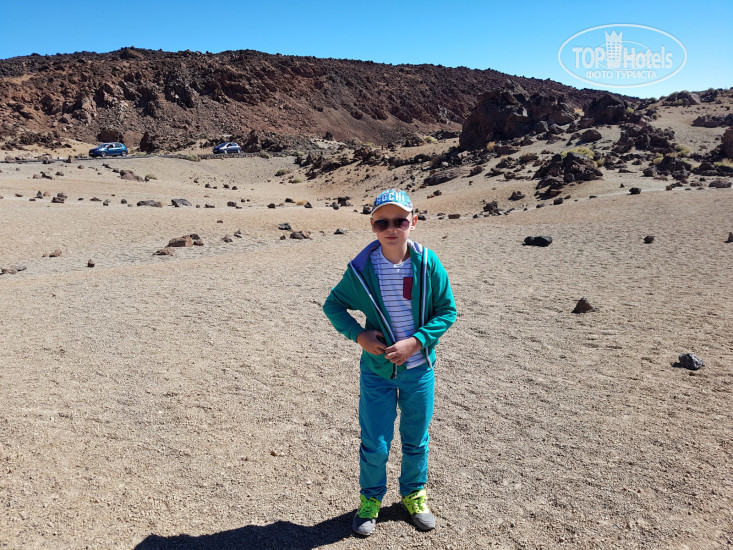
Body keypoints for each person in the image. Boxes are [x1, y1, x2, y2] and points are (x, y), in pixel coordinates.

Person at [323, 189, 457, 536]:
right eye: (382, 223)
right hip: (377, 373)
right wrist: (359, 335)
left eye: (400, 220)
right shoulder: (362, 270)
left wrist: (416, 342)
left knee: (416, 439)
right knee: (375, 443)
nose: (391, 228)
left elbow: (447, 311)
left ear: (414, 221)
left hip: (419, 371)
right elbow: (333, 305)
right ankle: (370, 499)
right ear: (372, 226)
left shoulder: (428, 264)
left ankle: (413, 494)